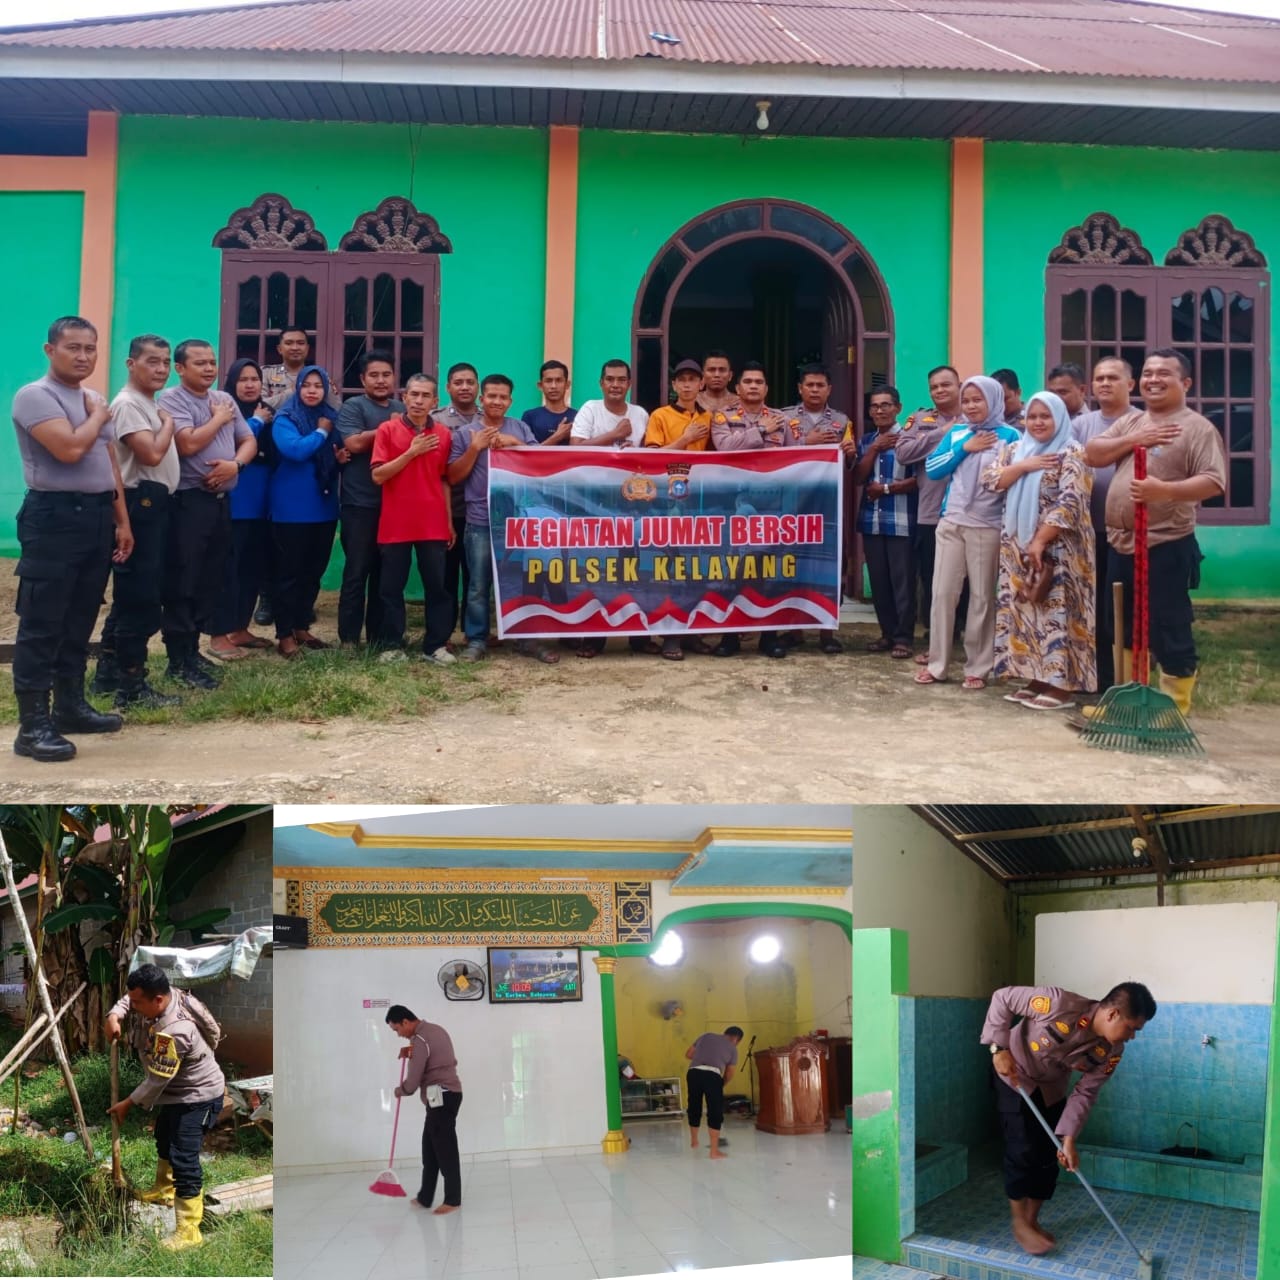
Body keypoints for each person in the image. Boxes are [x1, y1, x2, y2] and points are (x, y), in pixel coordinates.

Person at [10, 316, 132, 762]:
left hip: (97, 515)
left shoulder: (91, 397)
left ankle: (69, 707)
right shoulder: (34, 396)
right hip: (53, 519)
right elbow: (69, 448)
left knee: (80, 619)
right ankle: (32, 725)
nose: (83, 356)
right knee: (42, 623)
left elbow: (107, 460)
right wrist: (99, 415)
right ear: (50, 351)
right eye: (73, 348)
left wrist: (122, 519)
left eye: (90, 349)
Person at [1083, 349, 1226, 716]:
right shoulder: (1134, 422)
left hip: (1165, 544)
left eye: (1164, 373)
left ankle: (1172, 710)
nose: (1153, 379)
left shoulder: (1197, 428)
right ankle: (1127, 703)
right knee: (1123, 625)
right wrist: (1136, 440)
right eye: (1148, 373)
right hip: (1122, 544)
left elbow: (1213, 481)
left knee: (1168, 625)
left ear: (1186, 383)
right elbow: (1094, 453)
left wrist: (1166, 491)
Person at [982, 982, 1155, 1256]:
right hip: (1014, 1074)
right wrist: (998, 1048)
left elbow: (1086, 1091)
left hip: (1050, 1088)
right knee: (1022, 1147)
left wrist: (1069, 1139)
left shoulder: (1112, 1052)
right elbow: (1002, 997)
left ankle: (1031, 1220)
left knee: (1050, 1154)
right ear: (1113, 1015)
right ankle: (1019, 1222)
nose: (1132, 1037)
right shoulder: (1058, 1003)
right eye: (1132, 1028)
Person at [984, 391, 1095, 710]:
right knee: (1027, 610)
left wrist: (1040, 540)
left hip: (1060, 549)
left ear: (1059, 418)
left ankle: (1062, 685)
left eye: (1045, 416)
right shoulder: (1017, 449)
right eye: (1032, 416)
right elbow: (991, 480)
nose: (1037, 422)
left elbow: (1070, 503)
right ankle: (1035, 676)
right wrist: (1024, 466)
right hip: (1018, 546)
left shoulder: (1073, 452)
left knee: (1058, 613)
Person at [104, 964, 227, 1250]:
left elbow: (159, 1078)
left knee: (184, 1156)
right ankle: (164, 1189)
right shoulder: (167, 994)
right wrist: (114, 1013)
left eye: (137, 1003)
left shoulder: (176, 1031)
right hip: (176, 1093)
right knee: (164, 1136)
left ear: (157, 1000)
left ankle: (189, 1230)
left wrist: (128, 1103)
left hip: (198, 1096)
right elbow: (130, 998)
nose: (132, 1007)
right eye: (131, 1001)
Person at [158, 340, 257, 689]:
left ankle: (192, 651)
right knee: (184, 580)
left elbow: (248, 440)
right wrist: (217, 419)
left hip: (220, 503)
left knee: (210, 578)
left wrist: (235, 464)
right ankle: (178, 659)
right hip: (188, 503)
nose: (209, 369)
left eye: (212, 362)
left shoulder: (225, 399)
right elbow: (187, 444)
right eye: (199, 363)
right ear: (180, 368)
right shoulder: (172, 400)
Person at [914, 375, 1020, 690]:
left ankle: (978, 667)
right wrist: (964, 447)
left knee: (981, 598)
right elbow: (934, 469)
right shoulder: (958, 432)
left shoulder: (1011, 435)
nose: (971, 406)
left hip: (987, 525)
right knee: (942, 593)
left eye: (978, 400)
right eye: (967, 400)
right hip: (951, 522)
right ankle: (938, 664)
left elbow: (1012, 479)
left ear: (994, 400)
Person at [98, 335, 182, 709]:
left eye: (165, 362)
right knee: (140, 598)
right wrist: (169, 424)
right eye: (152, 361)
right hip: (140, 503)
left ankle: (107, 674)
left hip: (153, 503)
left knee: (133, 595)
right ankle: (131, 688)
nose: (161, 369)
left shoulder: (147, 403)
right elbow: (149, 454)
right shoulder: (130, 405)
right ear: (131, 364)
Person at [446, 374, 554, 664]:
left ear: (510, 401)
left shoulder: (519, 427)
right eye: (491, 396)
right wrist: (475, 447)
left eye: (502, 397)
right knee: (478, 585)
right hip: (480, 519)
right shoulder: (465, 434)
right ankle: (477, 640)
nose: (496, 401)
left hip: (517, 522)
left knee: (523, 581)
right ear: (482, 399)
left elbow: (539, 466)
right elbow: (453, 476)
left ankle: (526, 639)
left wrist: (516, 444)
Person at [371, 373, 455, 665]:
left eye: (425, 396)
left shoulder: (444, 434)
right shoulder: (387, 429)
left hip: (432, 522)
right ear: (404, 397)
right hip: (396, 522)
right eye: (414, 395)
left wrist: (449, 521)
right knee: (391, 587)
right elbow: (378, 475)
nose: (419, 401)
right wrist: (411, 452)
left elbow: (445, 480)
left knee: (438, 587)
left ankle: (435, 646)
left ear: (435, 401)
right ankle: (392, 645)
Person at [710, 363, 790, 660]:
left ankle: (769, 638)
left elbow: (797, 457)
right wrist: (759, 431)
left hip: (774, 507)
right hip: (737, 506)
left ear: (766, 388)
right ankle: (730, 637)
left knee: (770, 573)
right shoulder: (723, 417)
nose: (754, 386)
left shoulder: (781, 420)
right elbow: (725, 448)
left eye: (759, 381)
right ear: (739, 388)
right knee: (736, 571)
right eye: (748, 381)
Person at [779, 362, 853, 655]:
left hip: (827, 507)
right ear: (800, 388)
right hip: (792, 507)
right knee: (792, 565)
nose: (814, 390)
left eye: (820, 385)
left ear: (829, 389)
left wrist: (850, 453)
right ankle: (793, 630)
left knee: (830, 566)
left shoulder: (842, 420)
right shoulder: (783, 418)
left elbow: (850, 463)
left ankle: (827, 631)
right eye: (809, 385)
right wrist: (804, 442)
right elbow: (773, 456)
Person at [641, 360, 713, 659]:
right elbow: (652, 456)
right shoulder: (660, 415)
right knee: (670, 569)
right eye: (681, 380)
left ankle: (693, 633)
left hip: (699, 503)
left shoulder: (711, 417)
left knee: (697, 569)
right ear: (673, 385)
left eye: (692, 380)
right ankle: (670, 635)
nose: (686, 385)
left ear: (701, 385)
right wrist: (685, 440)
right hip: (668, 503)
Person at [268, 365, 341, 659]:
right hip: (291, 508)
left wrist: (340, 458)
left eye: (318, 386)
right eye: (306, 385)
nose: (312, 390)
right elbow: (295, 451)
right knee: (289, 573)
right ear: (297, 388)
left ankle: (301, 626)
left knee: (313, 572)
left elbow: (332, 454)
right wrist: (322, 432)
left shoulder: (331, 417)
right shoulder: (286, 418)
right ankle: (284, 634)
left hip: (323, 507)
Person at [1072, 357, 1135, 691]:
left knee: (1125, 608)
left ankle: (1128, 679)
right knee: (1093, 606)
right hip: (1088, 529)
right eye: (1099, 379)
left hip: (1128, 533)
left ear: (1130, 384)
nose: (1105, 384)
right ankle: (1097, 677)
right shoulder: (1083, 425)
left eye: (1113, 378)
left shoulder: (1142, 422)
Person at [206, 358, 275, 661]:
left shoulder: (270, 415)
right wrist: (257, 422)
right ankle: (218, 635)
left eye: (255, 379)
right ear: (232, 384)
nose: (249, 385)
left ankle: (239, 629)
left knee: (253, 571)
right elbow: (233, 448)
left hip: (262, 508)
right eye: (243, 379)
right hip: (233, 506)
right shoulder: (222, 413)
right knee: (226, 573)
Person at [893, 365, 963, 660]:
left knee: (970, 584)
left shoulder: (975, 415)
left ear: (959, 385)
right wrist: (941, 433)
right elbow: (903, 453)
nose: (940, 391)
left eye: (946, 385)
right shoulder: (920, 419)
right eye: (934, 387)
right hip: (931, 513)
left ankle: (962, 637)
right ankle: (936, 638)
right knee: (934, 580)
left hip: (970, 512)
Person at [335, 350, 404, 646]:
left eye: (386, 375)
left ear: (394, 378)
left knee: (386, 574)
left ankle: (379, 637)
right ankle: (349, 639)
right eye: (373, 375)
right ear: (363, 379)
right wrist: (391, 427)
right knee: (356, 572)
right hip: (359, 503)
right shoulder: (353, 406)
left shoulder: (402, 406)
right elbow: (354, 443)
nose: (380, 380)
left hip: (395, 504)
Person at [851, 385, 917, 659]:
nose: (880, 410)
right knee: (879, 581)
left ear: (898, 408)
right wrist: (874, 450)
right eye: (875, 406)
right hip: (872, 521)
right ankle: (887, 634)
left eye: (885, 405)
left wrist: (887, 490)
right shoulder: (867, 440)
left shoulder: (911, 439)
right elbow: (857, 478)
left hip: (902, 520)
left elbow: (918, 481)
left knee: (902, 582)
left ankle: (903, 638)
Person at [386, 1004, 464, 1214]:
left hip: (442, 1097)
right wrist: (411, 1051)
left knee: (445, 1149)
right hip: (447, 1095)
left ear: (405, 1022)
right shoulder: (435, 1030)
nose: (398, 1034)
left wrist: (399, 1090)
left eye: (397, 1029)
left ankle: (453, 1199)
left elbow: (412, 1084)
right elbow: (433, 1057)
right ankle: (425, 1196)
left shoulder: (419, 1040)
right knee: (429, 1149)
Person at [435, 363, 482, 642]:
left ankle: (472, 632)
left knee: (475, 575)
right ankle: (443, 634)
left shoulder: (490, 418)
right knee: (446, 576)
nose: (465, 387)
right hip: (446, 508)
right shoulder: (436, 420)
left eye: (470, 382)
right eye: (458, 382)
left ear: (477, 387)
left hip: (479, 510)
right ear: (448, 388)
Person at [685, 1025, 743, 1160]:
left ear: (724, 1033)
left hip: (693, 1072)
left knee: (694, 1105)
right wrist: (721, 1083)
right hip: (713, 1075)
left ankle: (694, 1141)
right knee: (714, 1110)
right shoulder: (733, 1049)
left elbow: (688, 1054)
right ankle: (714, 1152)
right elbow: (729, 1073)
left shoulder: (706, 1036)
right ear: (737, 1040)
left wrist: (703, 1056)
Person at [570, 359, 649, 447]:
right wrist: (615, 434)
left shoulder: (640, 414)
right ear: (601, 383)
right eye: (609, 379)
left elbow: (646, 452)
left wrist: (632, 452)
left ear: (629, 384)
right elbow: (575, 446)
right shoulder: (590, 409)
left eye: (622, 380)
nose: (615, 385)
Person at [520, 359, 576, 444]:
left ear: (567, 385)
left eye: (559, 380)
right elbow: (526, 454)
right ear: (540, 385)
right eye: (548, 381)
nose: (553, 386)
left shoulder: (579, 416)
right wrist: (558, 436)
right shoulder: (530, 416)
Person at [699, 350, 738, 417]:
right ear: (703, 375)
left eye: (722, 370)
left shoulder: (739, 402)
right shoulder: (693, 401)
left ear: (730, 375)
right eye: (711, 370)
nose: (717, 375)